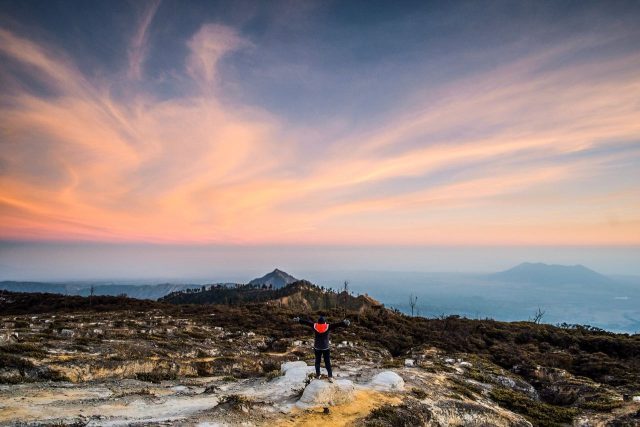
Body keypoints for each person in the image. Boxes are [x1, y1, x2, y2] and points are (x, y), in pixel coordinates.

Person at [293, 315, 350, 382]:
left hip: (317, 347)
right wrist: (344, 323)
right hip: (325, 347)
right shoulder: (328, 326)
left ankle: (318, 375)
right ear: (324, 322)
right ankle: (330, 376)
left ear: (318, 322)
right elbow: (336, 325)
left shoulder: (315, 326)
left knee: (317, 362)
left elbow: (307, 322)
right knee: (327, 362)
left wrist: (299, 320)